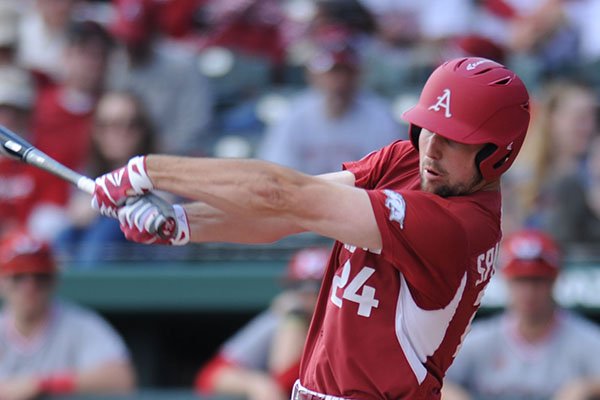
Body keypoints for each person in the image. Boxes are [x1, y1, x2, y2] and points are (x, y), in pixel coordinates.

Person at [91, 56, 531, 399]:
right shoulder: (408, 160)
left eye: (453, 139)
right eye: (427, 129)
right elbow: (286, 213)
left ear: (497, 154)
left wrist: (150, 170)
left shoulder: (458, 228)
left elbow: (284, 195)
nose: (430, 149)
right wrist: (180, 223)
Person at [442, 229, 600, 400]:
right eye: (520, 281)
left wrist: (588, 387)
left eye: (537, 280)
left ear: (554, 280)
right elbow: (435, 380)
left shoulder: (585, 339)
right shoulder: (479, 339)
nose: (529, 291)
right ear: (506, 280)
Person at [0, 231, 135, 400]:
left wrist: (44, 383)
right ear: (2, 281)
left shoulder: (79, 324)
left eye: (39, 277)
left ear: (54, 280)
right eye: (18, 277)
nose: (30, 287)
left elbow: (120, 379)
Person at [195, 247, 330, 400]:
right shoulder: (281, 319)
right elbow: (209, 377)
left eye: (317, 287)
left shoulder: (343, 326)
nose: (306, 295)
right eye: (297, 286)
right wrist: (255, 383)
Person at [257, 37, 400, 175]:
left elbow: (387, 175)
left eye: (347, 73)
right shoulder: (294, 114)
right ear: (313, 75)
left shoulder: (379, 116)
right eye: (332, 73)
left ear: (358, 76)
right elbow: (278, 170)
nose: (340, 81)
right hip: (306, 195)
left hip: (361, 196)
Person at [53, 90, 157, 265]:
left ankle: (88, 284)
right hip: (98, 252)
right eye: (106, 125)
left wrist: (110, 203)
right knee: (66, 235)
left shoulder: (159, 170)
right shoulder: (89, 172)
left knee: (112, 223)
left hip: (148, 259)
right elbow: (77, 215)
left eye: (129, 124)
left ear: (143, 130)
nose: (118, 132)